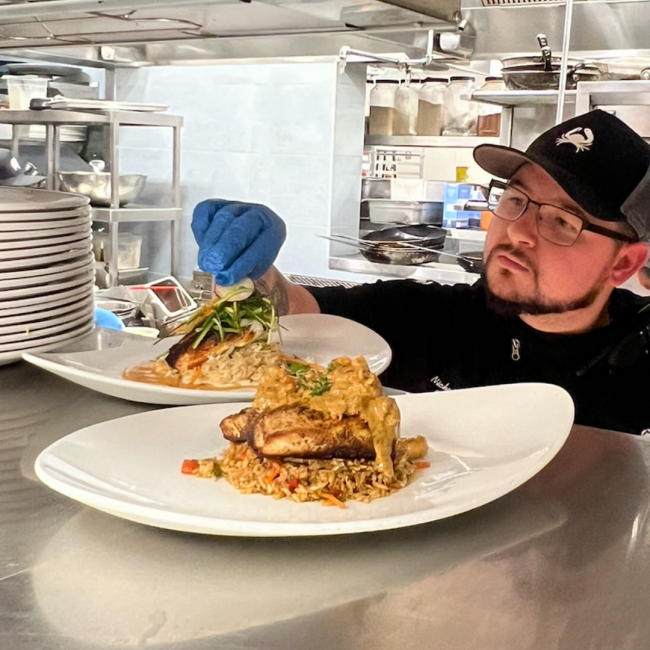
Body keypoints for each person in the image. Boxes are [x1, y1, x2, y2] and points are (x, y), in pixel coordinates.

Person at [191, 110, 650, 435]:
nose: (520, 231)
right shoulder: (435, 318)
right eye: (516, 200)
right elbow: (297, 309)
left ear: (625, 262)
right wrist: (249, 272)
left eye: (562, 221)